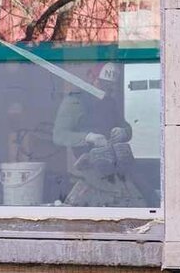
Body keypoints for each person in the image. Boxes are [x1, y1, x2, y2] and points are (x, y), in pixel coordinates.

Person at [52, 61, 146, 207]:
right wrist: (88, 137)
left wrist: (124, 132)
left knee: (141, 194)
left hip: (114, 165)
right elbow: (59, 135)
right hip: (88, 168)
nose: (107, 90)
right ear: (91, 78)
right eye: (103, 85)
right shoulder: (74, 101)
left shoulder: (110, 102)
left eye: (110, 87)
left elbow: (126, 127)